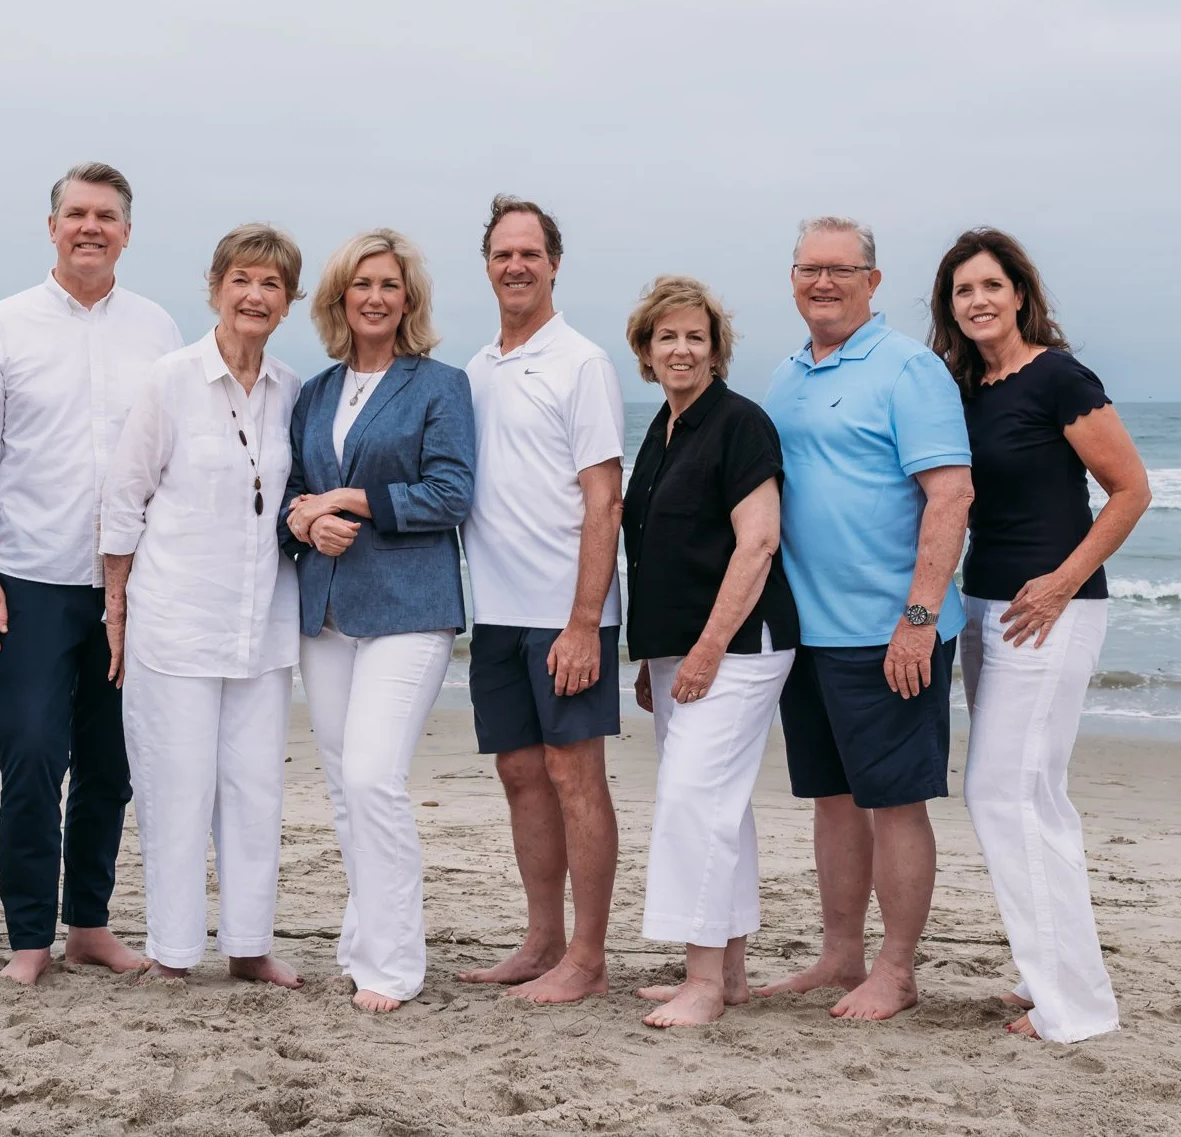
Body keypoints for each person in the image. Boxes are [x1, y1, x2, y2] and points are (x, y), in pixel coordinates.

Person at [0, 162, 181, 983]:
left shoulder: (159, 329)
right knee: (31, 755)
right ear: (51, 225)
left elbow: (169, 455)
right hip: (28, 576)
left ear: (127, 230)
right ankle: (28, 938)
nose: (92, 227)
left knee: (110, 765)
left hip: (132, 582)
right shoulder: (5, 324)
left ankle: (88, 923)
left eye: (108, 216)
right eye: (78, 213)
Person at [928, 227, 1150, 1042]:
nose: (978, 300)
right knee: (1033, 797)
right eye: (962, 290)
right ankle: (1050, 975)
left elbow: (1130, 490)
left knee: (1005, 792)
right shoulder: (966, 388)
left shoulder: (1059, 375)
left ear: (1020, 292)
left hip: (1053, 611)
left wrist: (1061, 582)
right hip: (989, 609)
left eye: (991, 284)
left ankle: (1076, 1008)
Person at [754, 216, 973, 1022]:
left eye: (840, 269)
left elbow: (951, 494)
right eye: (809, 267)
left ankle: (897, 967)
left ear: (872, 281)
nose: (823, 282)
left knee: (893, 802)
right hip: (806, 632)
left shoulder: (910, 369)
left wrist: (917, 618)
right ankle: (841, 953)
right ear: (792, 278)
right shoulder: (782, 376)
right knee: (834, 800)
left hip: (889, 633)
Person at [101, 224, 306, 988]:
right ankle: (174, 949)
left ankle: (249, 945)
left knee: (255, 791)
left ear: (289, 301)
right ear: (216, 286)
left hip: (261, 623)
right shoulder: (171, 378)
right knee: (174, 787)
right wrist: (115, 608)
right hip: (177, 616)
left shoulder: (292, 388)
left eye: (272, 284)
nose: (255, 295)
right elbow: (123, 500)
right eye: (243, 280)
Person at [281, 228, 475, 1012]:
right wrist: (304, 523)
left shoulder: (439, 385)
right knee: (341, 786)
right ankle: (363, 945)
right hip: (326, 610)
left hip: (408, 610)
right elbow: (292, 489)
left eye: (389, 284)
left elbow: (452, 493)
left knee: (373, 777)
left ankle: (394, 964)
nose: (375, 296)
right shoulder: (315, 393)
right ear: (338, 298)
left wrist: (352, 500)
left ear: (408, 299)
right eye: (361, 284)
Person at [455, 196, 625, 1005]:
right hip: (496, 611)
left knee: (574, 775)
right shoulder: (476, 369)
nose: (516, 265)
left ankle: (587, 958)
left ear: (555, 262)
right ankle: (542, 939)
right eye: (502, 253)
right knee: (521, 773)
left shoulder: (582, 362)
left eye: (530, 252)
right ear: (486, 265)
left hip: (568, 614)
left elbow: (605, 498)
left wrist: (586, 621)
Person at [620, 276, 800, 1029]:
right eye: (668, 336)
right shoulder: (663, 429)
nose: (682, 348)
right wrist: (652, 657)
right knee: (718, 807)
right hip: (678, 651)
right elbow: (661, 550)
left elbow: (758, 541)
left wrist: (705, 649)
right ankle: (728, 972)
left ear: (717, 349)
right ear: (646, 349)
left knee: (694, 801)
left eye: (696, 336)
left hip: (739, 647)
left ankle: (699, 980)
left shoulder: (739, 424)